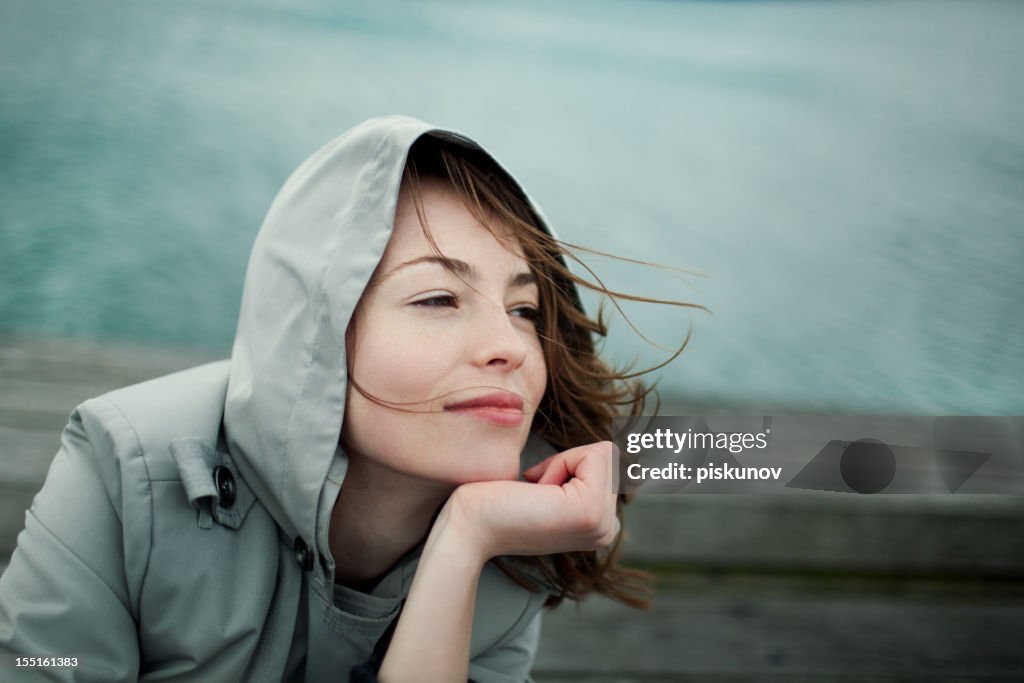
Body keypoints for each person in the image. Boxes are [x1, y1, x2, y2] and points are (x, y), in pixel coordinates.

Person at [0, 116, 676, 682]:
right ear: (313, 332)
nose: (511, 345)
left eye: (524, 308)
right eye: (438, 297)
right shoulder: (123, 468)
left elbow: (776, 457)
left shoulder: (518, 527)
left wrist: (467, 539)